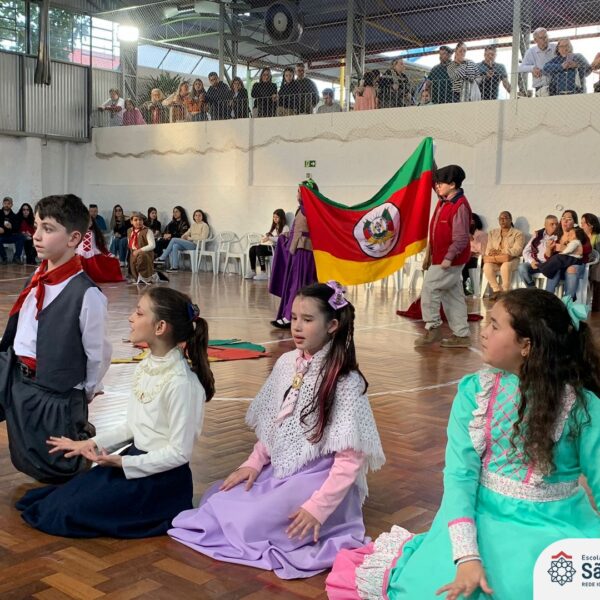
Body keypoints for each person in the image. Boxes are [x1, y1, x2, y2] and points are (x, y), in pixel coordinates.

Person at [327, 288, 600, 600]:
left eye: (495, 325)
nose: (483, 332)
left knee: (543, 584)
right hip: (481, 518)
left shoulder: (584, 406)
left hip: (558, 526)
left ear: (526, 345)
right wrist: (467, 557)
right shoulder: (475, 392)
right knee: (443, 590)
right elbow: (460, 477)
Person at [169, 282, 385, 578]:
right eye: (293, 317)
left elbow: (350, 461)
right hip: (284, 469)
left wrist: (317, 508)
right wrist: (253, 463)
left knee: (248, 522)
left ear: (332, 325)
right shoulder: (286, 363)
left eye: (307, 320)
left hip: (319, 478)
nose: (297, 326)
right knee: (219, 499)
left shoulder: (346, 381)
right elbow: (276, 424)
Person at [16, 287, 215, 538]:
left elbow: (179, 453)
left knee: (63, 513)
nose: (131, 318)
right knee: (52, 500)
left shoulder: (182, 384)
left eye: (139, 313)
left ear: (160, 327)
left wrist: (123, 462)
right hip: (134, 462)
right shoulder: (146, 366)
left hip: (160, 482)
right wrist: (90, 443)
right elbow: (132, 427)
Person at [0, 194, 111, 483]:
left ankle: (80, 435)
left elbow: (97, 353)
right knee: (28, 454)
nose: (36, 236)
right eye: (37, 226)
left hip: (53, 389)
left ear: (74, 238)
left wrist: (84, 392)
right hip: (15, 374)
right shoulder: (37, 277)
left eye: (47, 229)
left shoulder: (86, 294)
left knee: (60, 469)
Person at [415, 165, 472, 348]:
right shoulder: (444, 199)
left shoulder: (459, 206)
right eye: (437, 183)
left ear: (452, 184)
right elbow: (435, 183)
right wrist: (430, 161)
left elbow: (461, 238)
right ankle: (462, 335)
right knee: (452, 296)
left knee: (429, 288)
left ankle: (433, 328)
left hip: (448, 260)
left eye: (441, 183)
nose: (437, 186)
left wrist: (448, 257)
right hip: (442, 258)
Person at [269, 181, 318, 328]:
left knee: (298, 284)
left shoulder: (308, 210)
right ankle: (292, 315)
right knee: (295, 284)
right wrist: (286, 237)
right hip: (299, 250)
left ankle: (291, 317)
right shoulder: (302, 209)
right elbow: (296, 230)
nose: (297, 194)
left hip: (303, 251)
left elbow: (306, 231)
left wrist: (293, 241)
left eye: (299, 191)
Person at [543, 209, 591, 299]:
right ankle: (547, 298)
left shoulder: (578, 233)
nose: (565, 221)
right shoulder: (556, 235)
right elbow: (548, 257)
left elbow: (588, 249)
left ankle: (568, 300)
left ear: (574, 222)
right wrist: (549, 249)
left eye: (569, 219)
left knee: (571, 269)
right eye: (563, 218)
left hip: (576, 264)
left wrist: (565, 248)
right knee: (554, 267)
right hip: (560, 266)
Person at [482, 211, 525, 300]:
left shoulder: (518, 233)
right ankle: (496, 290)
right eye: (500, 218)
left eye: (505, 218)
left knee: (505, 266)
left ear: (510, 220)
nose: (502, 220)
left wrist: (500, 251)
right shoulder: (492, 233)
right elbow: (488, 249)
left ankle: (506, 291)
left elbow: (517, 250)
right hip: (496, 260)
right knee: (487, 266)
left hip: (511, 259)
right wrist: (492, 252)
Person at [76, 217, 124, 283]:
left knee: (98, 272)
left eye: (90, 221)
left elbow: (100, 247)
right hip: (81, 256)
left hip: (93, 257)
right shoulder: (77, 233)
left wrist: (110, 255)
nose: (88, 223)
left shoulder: (95, 233)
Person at [245, 209, 288, 281]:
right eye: (274, 217)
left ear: (281, 218)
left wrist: (269, 238)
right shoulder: (275, 227)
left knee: (259, 248)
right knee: (252, 248)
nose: (275, 219)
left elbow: (281, 239)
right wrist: (267, 236)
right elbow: (271, 236)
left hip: (277, 248)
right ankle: (253, 271)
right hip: (271, 246)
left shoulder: (285, 227)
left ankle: (263, 272)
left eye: (277, 217)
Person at [518, 214, 559, 288]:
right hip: (536, 263)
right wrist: (532, 261)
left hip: (549, 265)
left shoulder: (559, 237)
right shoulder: (538, 235)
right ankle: (533, 290)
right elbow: (526, 251)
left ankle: (546, 293)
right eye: (552, 224)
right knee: (522, 267)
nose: (555, 226)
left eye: (556, 224)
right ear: (545, 225)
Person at [518, 27, 557, 96]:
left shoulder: (555, 48)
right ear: (535, 40)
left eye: (546, 37)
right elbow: (521, 68)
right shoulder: (531, 52)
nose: (545, 40)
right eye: (541, 38)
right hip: (540, 86)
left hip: (556, 84)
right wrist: (532, 68)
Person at [461, 212, 487, 295]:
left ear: (476, 222)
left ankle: (467, 288)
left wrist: (473, 241)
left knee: (464, 264)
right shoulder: (464, 234)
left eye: (471, 220)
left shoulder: (481, 234)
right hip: (466, 257)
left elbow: (483, 251)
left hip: (477, 259)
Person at [128, 212, 156, 285]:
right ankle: (136, 277)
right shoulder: (129, 231)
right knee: (133, 265)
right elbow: (130, 243)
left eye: (140, 220)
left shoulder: (147, 231)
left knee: (142, 257)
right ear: (131, 222)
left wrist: (139, 250)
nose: (138, 222)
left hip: (146, 253)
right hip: (134, 253)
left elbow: (152, 245)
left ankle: (145, 278)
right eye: (135, 220)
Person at [581, 212, 600, 311]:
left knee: (598, 268)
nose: (581, 225)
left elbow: (598, 254)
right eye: (581, 223)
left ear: (591, 225)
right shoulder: (580, 236)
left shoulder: (597, 237)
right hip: (581, 263)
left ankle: (596, 306)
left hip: (593, 264)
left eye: (584, 223)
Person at [0, 196, 24, 264]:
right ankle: (4, 258)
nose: (6, 205)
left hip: (10, 236)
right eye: (5, 203)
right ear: (3, 204)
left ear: (11, 205)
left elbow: (17, 228)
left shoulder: (14, 216)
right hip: (1, 236)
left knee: (21, 237)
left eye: (8, 203)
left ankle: (16, 257)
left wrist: (11, 227)